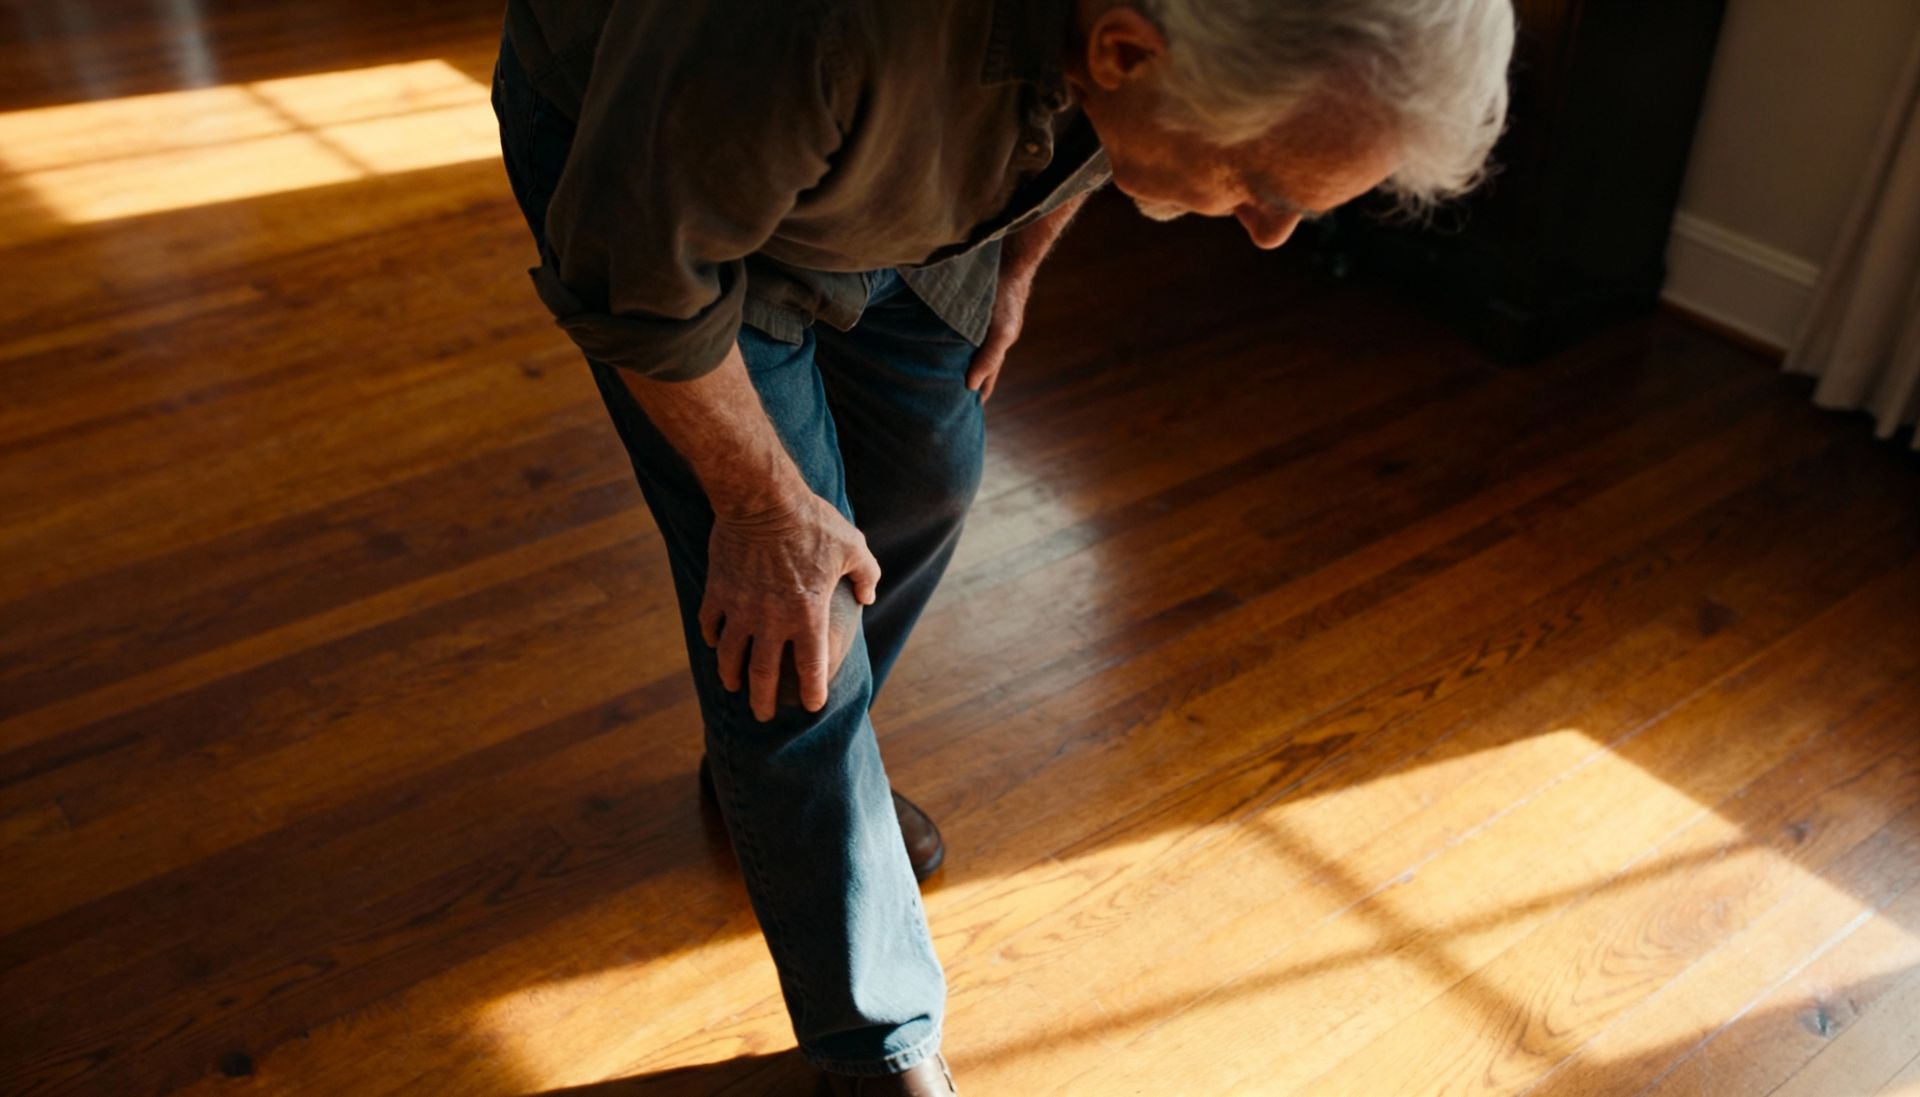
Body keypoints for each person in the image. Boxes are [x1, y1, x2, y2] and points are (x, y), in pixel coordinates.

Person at [491, 0, 1514, 1091]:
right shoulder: (804, 31)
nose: (1270, 233)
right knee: (801, 612)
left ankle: (787, 771)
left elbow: (1095, 127)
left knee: (932, 471)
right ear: (1126, 48)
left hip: (898, 173)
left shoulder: (1139, 45)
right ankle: (873, 1039)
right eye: (1261, 183)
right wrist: (762, 510)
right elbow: (638, 282)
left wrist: (1018, 260)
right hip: (656, 204)